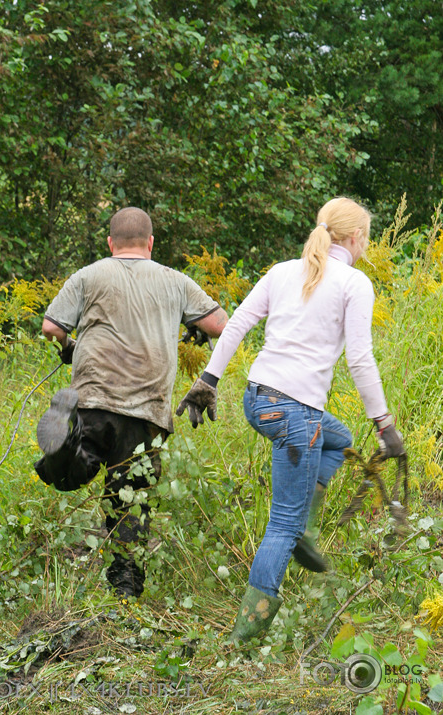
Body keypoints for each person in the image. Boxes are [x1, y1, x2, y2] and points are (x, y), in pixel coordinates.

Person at [176, 197, 405, 643]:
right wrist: (384, 424)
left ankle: (304, 530)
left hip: (258, 401)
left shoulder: (282, 271)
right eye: (367, 238)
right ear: (355, 238)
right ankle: (244, 639)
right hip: (297, 414)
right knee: (281, 523)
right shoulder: (354, 283)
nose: (366, 246)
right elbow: (359, 358)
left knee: (338, 438)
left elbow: (238, 322)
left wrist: (209, 379)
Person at [34, 207, 228, 597]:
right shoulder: (175, 280)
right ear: (151, 243)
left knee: (71, 473)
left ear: (110, 243)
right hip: (147, 410)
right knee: (131, 497)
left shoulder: (89, 275)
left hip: (92, 399)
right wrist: (191, 325)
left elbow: (51, 328)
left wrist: (71, 346)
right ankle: (125, 587)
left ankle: (68, 448)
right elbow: (221, 324)